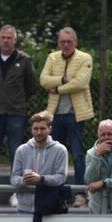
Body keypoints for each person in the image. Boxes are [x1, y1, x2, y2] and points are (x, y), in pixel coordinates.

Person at [0, 25, 36, 208]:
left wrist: (16, 101)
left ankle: (16, 192)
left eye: (9, 37)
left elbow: (30, 86)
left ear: (15, 40)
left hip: (16, 113)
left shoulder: (24, 59)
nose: (6, 40)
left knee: (16, 154)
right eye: (3, 37)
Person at [39, 27, 94, 208]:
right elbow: (43, 80)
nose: (66, 45)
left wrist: (58, 89)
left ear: (76, 42)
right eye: (63, 41)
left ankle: (80, 193)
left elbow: (81, 82)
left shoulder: (85, 58)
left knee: (78, 155)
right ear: (58, 43)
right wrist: (63, 80)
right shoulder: (52, 57)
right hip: (55, 115)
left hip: (76, 115)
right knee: (55, 155)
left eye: (69, 41)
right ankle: (57, 193)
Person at [10, 111, 68, 213]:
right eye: (35, 129)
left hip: (50, 207)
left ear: (50, 129)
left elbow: (61, 177)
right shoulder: (21, 150)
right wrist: (23, 181)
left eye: (42, 129)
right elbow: (14, 178)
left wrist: (42, 179)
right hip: (25, 208)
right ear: (31, 130)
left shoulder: (60, 150)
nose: (39, 132)